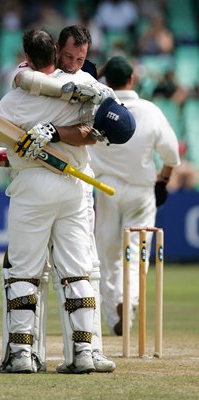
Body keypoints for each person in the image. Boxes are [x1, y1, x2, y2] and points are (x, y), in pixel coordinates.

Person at [0, 29, 134, 374]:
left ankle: (21, 354)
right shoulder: (82, 86)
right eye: (70, 56)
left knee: (24, 273)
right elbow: (94, 131)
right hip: (74, 186)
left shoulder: (15, 99)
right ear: (57, 51)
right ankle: (84, 352)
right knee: (78, 271)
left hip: (32, 187)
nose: (75, 63)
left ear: (26, 56)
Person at [88, 56, 180, 336]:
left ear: (107, 81)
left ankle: (115, 314)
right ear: (132, 80)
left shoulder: (98, 110)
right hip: (141, 190)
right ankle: (129, 301)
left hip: (106, 188)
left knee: (107, 254)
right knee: (136, 256)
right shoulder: (150, 111)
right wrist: (162, 181)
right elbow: (172, 155)